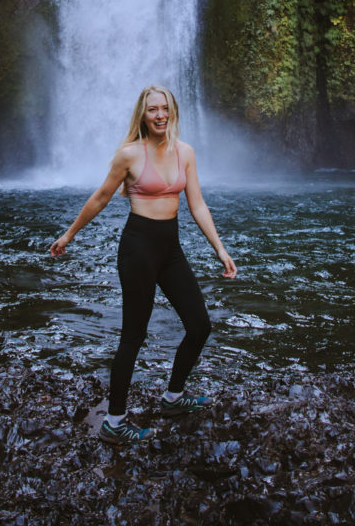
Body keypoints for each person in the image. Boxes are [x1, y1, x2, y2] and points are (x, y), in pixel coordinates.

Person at [49, 85, 237, 445]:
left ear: (173, 111)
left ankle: (173, 397)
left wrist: (220, 249)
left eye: (165, 108)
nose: (160, 115)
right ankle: (115, 421)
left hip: (171, 249)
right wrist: (70, 235)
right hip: (138, 249)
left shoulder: (186, 153)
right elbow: (102, 196)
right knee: (133, 336)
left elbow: (197, 204)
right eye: (153, 109)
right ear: (143, 114)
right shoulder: (129, 155)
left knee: (199, 325)